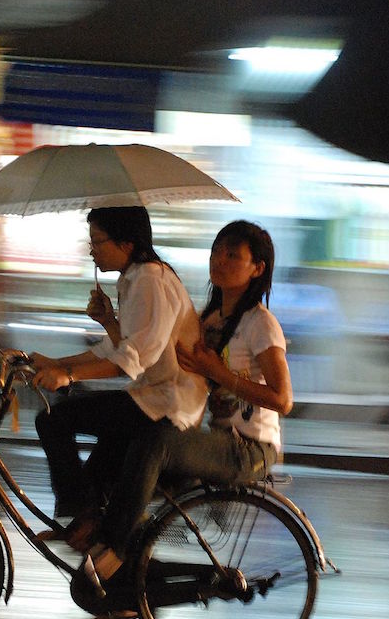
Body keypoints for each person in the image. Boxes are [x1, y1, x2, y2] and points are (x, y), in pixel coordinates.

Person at [80, 220, 292, 589]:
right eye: (216, 251)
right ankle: (129, 584)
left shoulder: (261, 324)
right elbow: (153, 362)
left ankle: (111, 550)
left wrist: (221, 374)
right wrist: (111, 322)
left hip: (249, 449)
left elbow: (282, 400)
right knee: (130, 453)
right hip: (213, 439)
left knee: (156, 446)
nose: (219, 261)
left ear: (257, 268)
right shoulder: (209, 320)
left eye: (232, 255)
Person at [29, 206, 208, 540]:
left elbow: (133, 359)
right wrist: (57, 362)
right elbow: (117, 348)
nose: (92, 249)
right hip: (151, 396)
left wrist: (68, 375)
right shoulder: (134, 279)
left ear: (127, 244)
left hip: (168, 403)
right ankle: (91, 525)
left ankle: (85, 520)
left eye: (98, 240)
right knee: (95, 478)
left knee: (52, 419)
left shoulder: (150, 280)